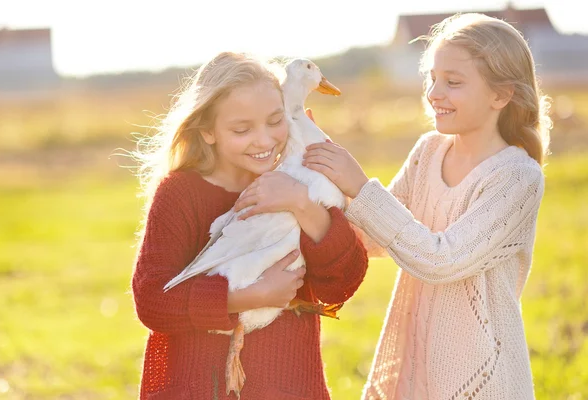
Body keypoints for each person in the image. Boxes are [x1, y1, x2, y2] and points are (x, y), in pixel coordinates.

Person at [303, 13, 551, 399]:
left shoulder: (517, 177)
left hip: (481, 377)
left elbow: (440, 260)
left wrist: (359, 183)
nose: (435, 92)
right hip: (415, 365)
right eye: (432, 78)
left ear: (500, 96)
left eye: (453, 82)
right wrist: (322, 172)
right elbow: (372, 237)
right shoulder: (428, 151)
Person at [130, 51, 368, 399]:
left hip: (289, 386)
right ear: (208, 132)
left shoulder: (301, 177)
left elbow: (342, 284)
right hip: (200, 387)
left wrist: (300, 202)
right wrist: (248, 296)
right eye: (242, 129)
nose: (264, 140)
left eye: (275, 120)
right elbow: (153, 301)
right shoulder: (181, 194)